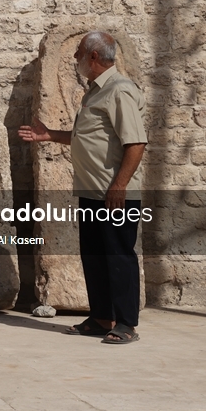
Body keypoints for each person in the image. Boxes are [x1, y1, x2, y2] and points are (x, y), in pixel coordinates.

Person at [19, 31, 148, 344]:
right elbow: (89, 138)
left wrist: (119, 186)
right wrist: (49, 134)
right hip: (92, 191)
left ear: (93, 56)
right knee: (94, 256)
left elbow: (136, 142)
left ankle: (126, 324)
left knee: (119, 256)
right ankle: (102, 317)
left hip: (114, 194)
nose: (75, 59)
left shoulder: (119, 90)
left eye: (78, 54)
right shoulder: (95, 91)